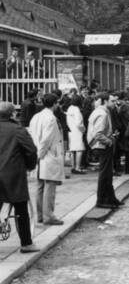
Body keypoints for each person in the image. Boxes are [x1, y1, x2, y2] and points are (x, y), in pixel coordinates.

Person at [0, 102, 40, 252]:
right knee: (21, 209)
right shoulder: (17, 129)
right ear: (12, 114)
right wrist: (30, 166)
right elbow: (31, 150)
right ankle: (26, 243)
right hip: (12, 175)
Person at [29, 93, 65, 225]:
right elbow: (46, 139)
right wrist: (40, 154)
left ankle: (40, 215)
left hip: (39, 154)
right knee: (50, 187)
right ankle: (48, 215)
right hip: (47, 154)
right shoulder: (50, 118)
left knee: (40, 186)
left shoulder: (36, 116)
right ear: (55, 103)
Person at [87, 92, 121, 209]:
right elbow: (98, 134)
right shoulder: (102, 114)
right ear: (105, 101)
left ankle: (111, 198)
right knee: (105, 174)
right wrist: (109, 141)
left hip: (100, 145)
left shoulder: (101, 112)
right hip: (102, 146)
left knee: (108, 173)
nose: (114, 103)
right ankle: (101, 200)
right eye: (111, 101)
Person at [66, 95, 86, 174]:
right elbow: (78, 123)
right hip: (77, 131)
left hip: (71, 130)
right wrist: (83, 129)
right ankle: (78, 167)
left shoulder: (70, 108)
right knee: (79, 150)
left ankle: (73, 167)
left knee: (73, 150)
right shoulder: (77, 109)